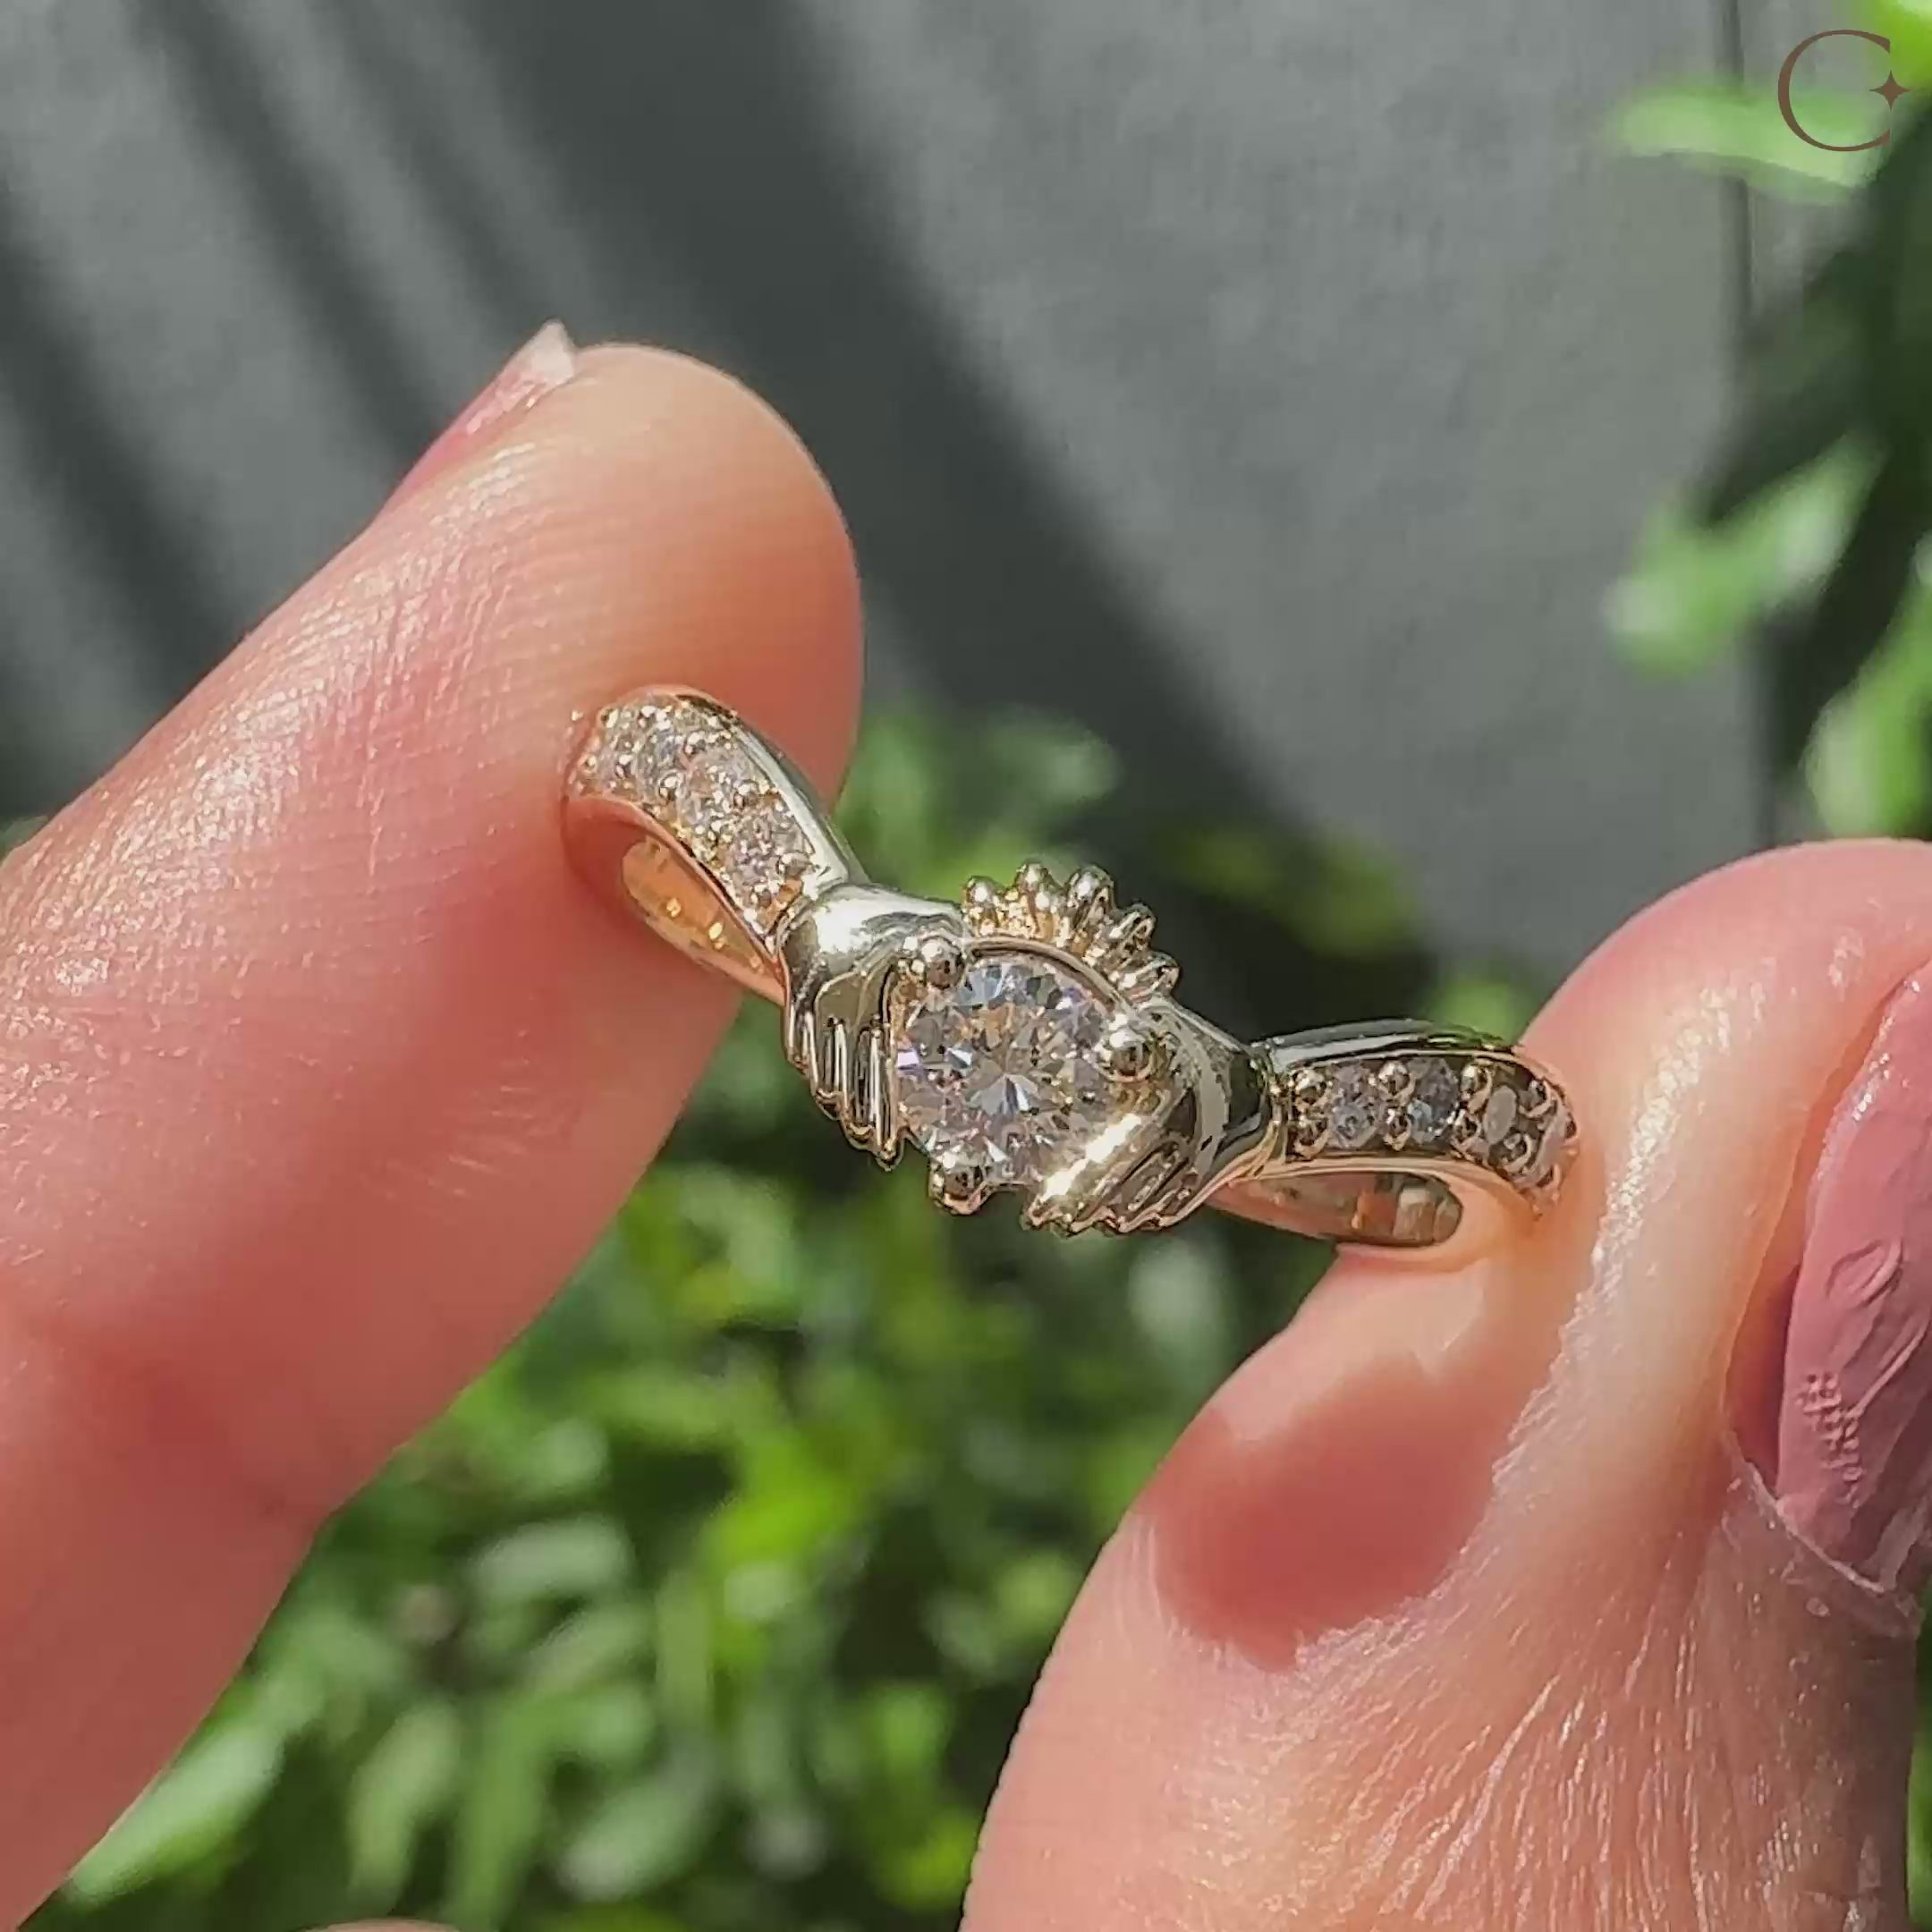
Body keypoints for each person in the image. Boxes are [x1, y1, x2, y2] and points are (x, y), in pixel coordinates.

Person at [1, 331, 1923, 1930]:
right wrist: (832, 939)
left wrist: (1216, 1104)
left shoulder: (1148, 1082)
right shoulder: (860, 958)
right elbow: (624, 774)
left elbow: (1514, 1157)